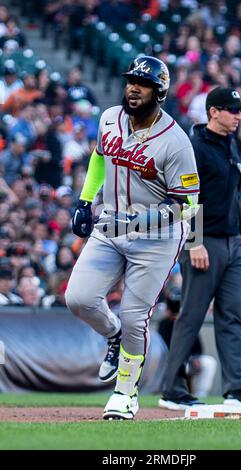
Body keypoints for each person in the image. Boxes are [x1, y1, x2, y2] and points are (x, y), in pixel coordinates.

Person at [65, 56, 200, 420]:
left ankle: (125, 393)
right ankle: (113, 336)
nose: (133, 88)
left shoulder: (176, 141)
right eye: (130, 82)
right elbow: (98, 158)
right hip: (112, 225)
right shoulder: (109, 117)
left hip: (158, 238)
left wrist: (139, 221)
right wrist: (85, 198)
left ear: (160, 92)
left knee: (135, 314)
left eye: (142, 84)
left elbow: (186, 204)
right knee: (78, 298)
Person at [159, 86, 241, 410]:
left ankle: (238, 388)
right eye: (233, 110)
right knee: (191, 318)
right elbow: (185, 199)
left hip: (231, 243)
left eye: (240, 110)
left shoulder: (229, 145)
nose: (239, 115)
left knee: (232, 317)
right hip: (204, 243)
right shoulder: (194, 146)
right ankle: (172, 389)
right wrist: (194, 242)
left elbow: (232, 199)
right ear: (214, 112)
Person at [158, 278, 217, 399]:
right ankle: (168, 391)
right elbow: (163, 346)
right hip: (169, 360)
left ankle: (201, 394)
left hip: (189, 360)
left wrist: (195, 358)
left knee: (209, 362)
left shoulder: (188, 322)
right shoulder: (164, 324)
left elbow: (198, 347)